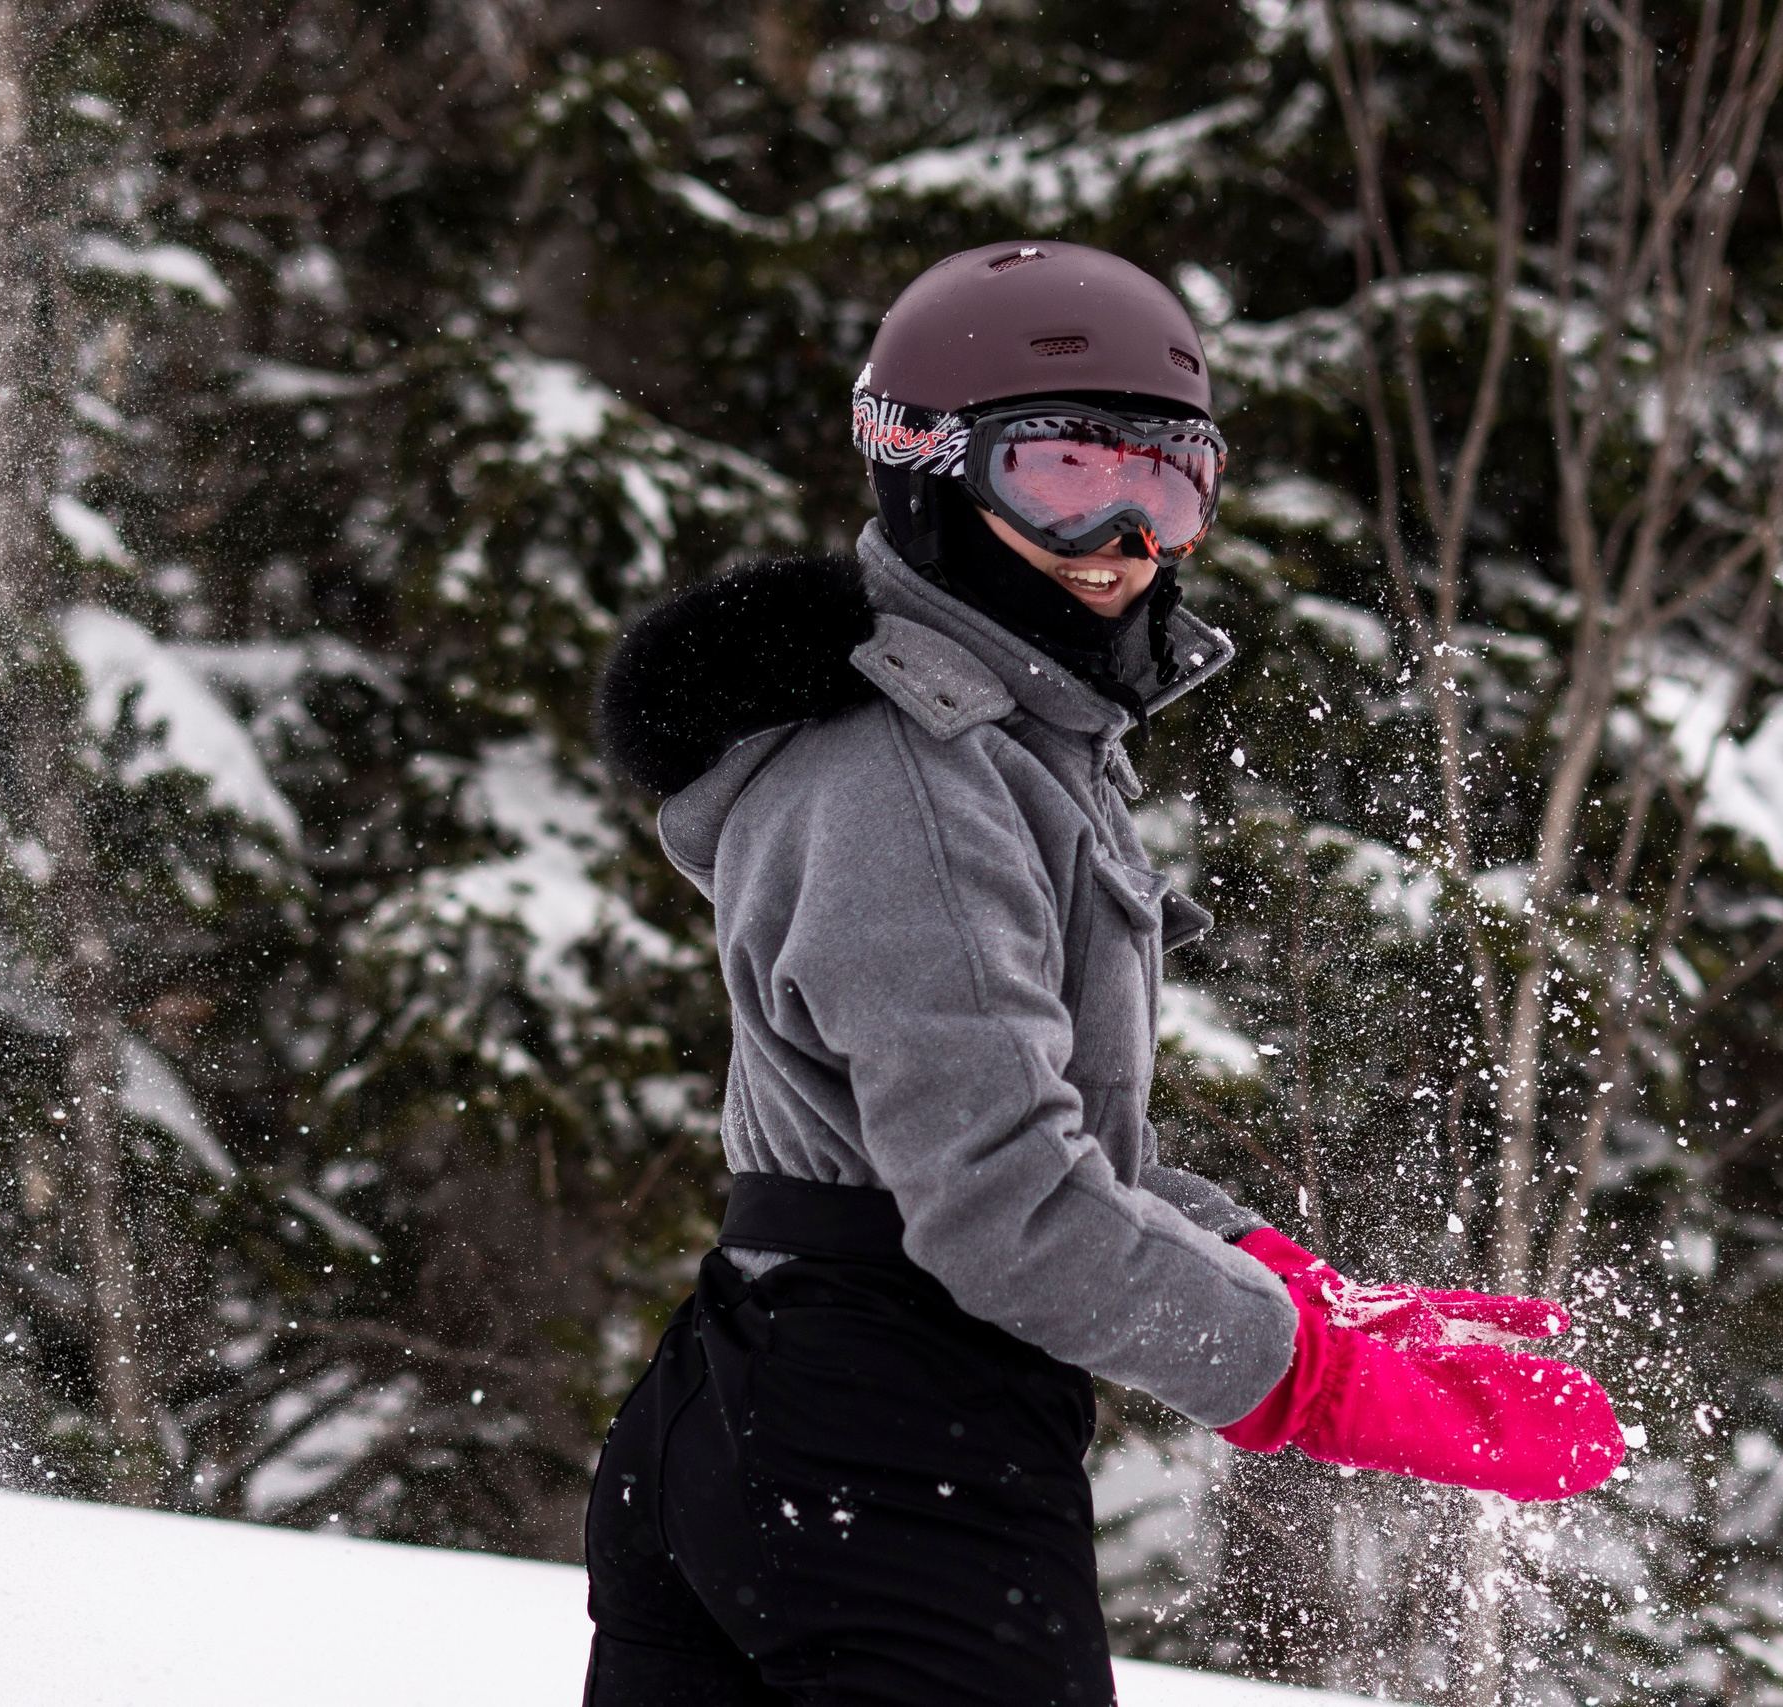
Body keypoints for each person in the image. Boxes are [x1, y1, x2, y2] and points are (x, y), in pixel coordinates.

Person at [582, 240, 1623, 1707]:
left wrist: (1282, 1279)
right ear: (927, 465)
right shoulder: (918, 776)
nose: (1126, 533)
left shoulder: (1005, 748)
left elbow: (1026, 1148)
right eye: (1066, 470)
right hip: (881, 1443)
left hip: (785, 1407)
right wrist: (1312, 1383)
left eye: (1173, 480)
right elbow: (1007, 1216)